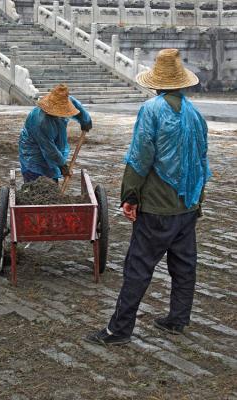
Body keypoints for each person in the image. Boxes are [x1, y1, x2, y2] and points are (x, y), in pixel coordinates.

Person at [85, 48, 211, 345]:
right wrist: (198, 202)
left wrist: (129, 196)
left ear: (157, 82)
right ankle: (177, 319)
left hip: (157, 207)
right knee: (184, 266)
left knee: (138, 267)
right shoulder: (196, 115)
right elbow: (201, 162)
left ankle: (119, 330)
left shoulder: (152, 109)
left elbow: (140, 158)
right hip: (187, 206)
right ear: (182, 83)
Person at [19, 84, 92, 182]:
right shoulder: (40, 122)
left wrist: (86, 121)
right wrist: (62, 165)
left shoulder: (65, 100)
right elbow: (49, 149)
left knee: (52, 176)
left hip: (52, 143)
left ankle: (54, 189)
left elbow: (79, 109)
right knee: (36, 179)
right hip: (33, 152)